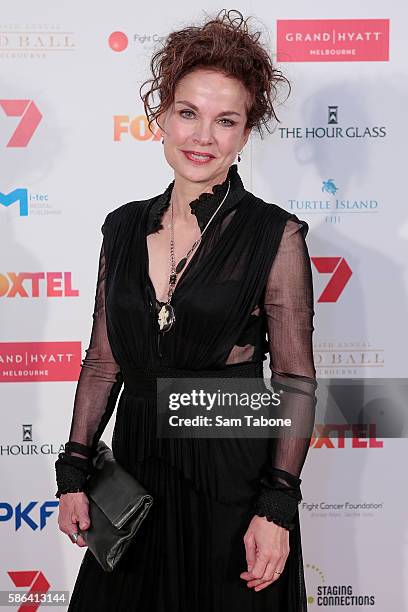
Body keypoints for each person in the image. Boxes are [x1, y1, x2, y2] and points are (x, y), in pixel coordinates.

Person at [55, 9, 317, 611]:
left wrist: (277, 505)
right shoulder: (121, 228)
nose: (203, 137)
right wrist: (75, 470)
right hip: (136, 474)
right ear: (163, 118)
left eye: (225, 120)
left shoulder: (273, 235)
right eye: (188, 113)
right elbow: (102, 362)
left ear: (245, 133)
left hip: (229, 470)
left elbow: (295, 380)